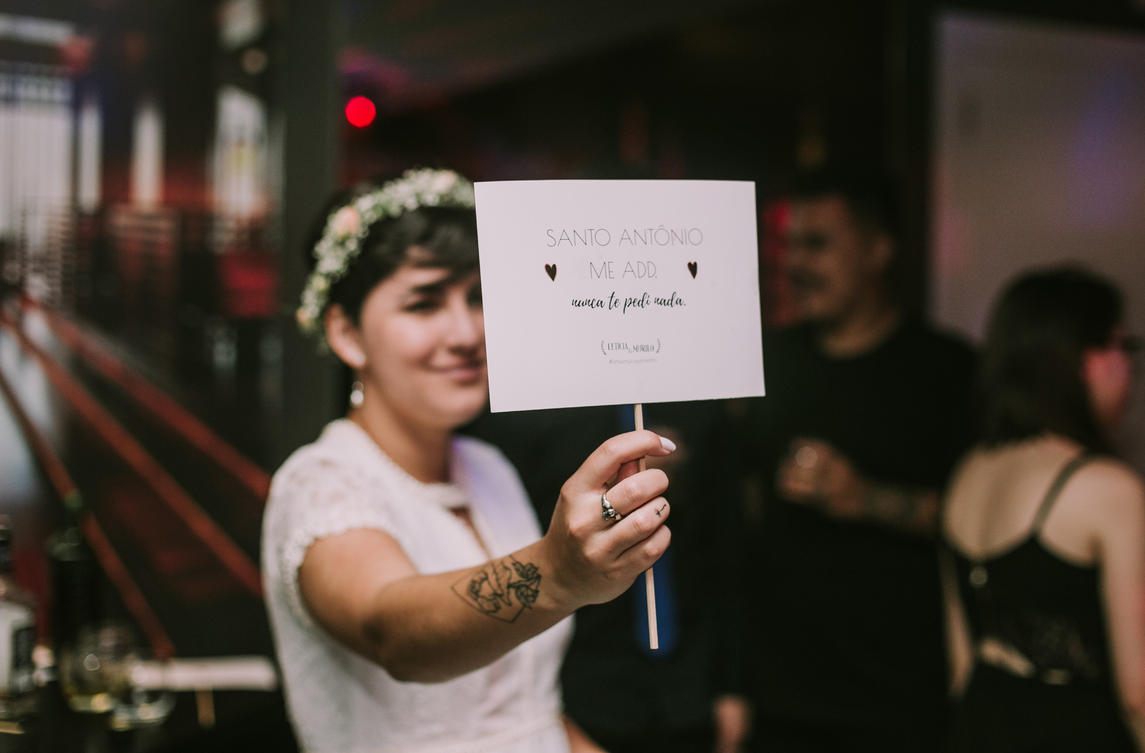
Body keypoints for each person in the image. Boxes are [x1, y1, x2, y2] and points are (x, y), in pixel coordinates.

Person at [261, 169, 676, 753]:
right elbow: (393, 631)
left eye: (479, 298)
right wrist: (557, 574)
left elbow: (530, 713)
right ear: (347, 333)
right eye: (424, 303)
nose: (467, 332)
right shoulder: (321, 483)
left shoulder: (489, 470)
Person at [743, 165, 977, 752]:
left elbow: (980, 522)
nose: (795, 263)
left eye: (817, 244)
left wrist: (864, 498)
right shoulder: (765, 363)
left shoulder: (946, 371)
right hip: (778, 698)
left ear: (878, 251)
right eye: (789, 245)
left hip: (895, 699)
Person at [941, 266, 1145, 753]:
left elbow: (962, 661)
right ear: (1081, 359)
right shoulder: (1106, 488)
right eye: (1123, 346)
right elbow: (1144, 694)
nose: (1130, 367)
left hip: (980, 725)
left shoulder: (970, 471)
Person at [469, 401, 750, 753]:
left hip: (691, 679)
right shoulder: (528, 412)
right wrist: (612, 489)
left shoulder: (698, 405)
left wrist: (733, 684)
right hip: (580, 680)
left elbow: (728, 548)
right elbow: (513, 542)